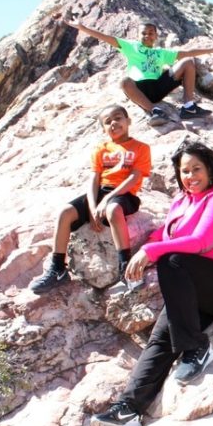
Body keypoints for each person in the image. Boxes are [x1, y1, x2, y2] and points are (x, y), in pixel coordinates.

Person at [92, 141, 213, 426]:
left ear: (211, 170)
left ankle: (196, 348)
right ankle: (129, 409)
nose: (190, 176)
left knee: (173, 260)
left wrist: (153, 253)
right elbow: (162, 236)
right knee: (160, 338)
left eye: (197, 169)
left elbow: (202, 242)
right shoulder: (181, 202)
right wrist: (143, 252)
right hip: (195, 291)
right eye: (185, 171)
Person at [29, 105, 152, 294]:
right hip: (101, 192)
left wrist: (108, 199)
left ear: (128, 121)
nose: (113, 123)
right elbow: (94, 179)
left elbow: (134, 177)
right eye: (107, 122)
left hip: (124, 194)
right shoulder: (101, 149)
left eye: (118, 118)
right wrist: (93, 207)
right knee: (65, 213)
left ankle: (124, 267)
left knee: (112, 210)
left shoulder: (141, 148)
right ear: (103, 128)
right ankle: (58, 269)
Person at [62, 17, 213, 124]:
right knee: (124, 82)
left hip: (158, 86)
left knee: (188, 62)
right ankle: (154, 111)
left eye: (151, 33)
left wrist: (211, 51)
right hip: (141, 89)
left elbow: (187, 52)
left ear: (156, 36)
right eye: (144, 33)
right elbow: (105, 38)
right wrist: (82, 28)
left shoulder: (160, 52)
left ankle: (188, 106)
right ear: (138, 35)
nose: (147, 36)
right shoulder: (130, 47)